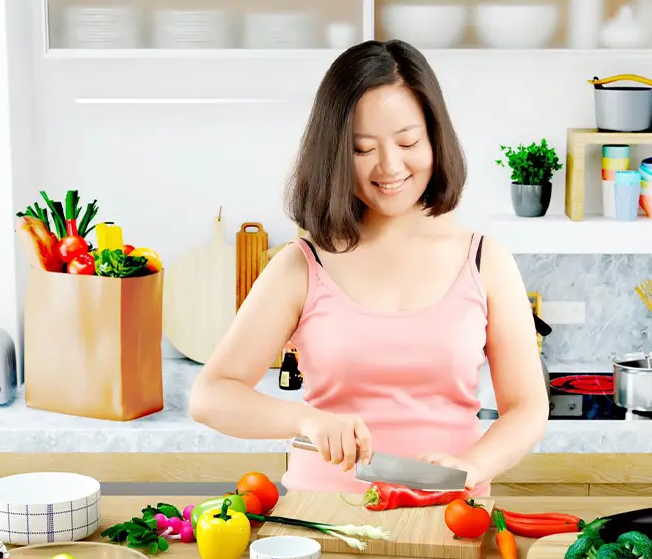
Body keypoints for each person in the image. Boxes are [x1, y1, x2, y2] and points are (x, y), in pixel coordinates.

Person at [189, 39, 549, 496]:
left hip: (450, 518)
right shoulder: (302, 265)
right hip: (324, 517)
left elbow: (527, 409)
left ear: (435, 137)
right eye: (362, 149)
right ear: (335, 154)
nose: (390, 165)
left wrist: (473, 465)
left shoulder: (485, 260)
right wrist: (305, 419)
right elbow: (211, 395)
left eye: (408, 141)